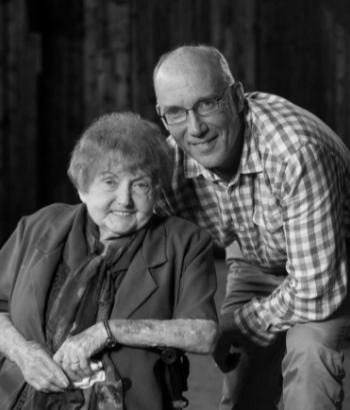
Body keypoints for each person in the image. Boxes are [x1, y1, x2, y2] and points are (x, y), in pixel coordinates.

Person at [153, 44, 350, 410]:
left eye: (207, 103)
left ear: (237, 97)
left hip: (332, 268)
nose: (195, 128)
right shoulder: (168, 168)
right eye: (176, 113)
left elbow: (315, 290)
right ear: (162, 116)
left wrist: (232, 324)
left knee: (308, 366)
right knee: (242, 394)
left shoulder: (295, 152)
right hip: (256, 256)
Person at [0, 112, 218, 410]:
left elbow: (203, 334)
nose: (125, 199)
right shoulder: (38, 226)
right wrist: (23, 354)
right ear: (82, 187)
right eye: (110, 181)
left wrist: (107, 332)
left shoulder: (186, 242)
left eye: (140, 184)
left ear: (156, 191)